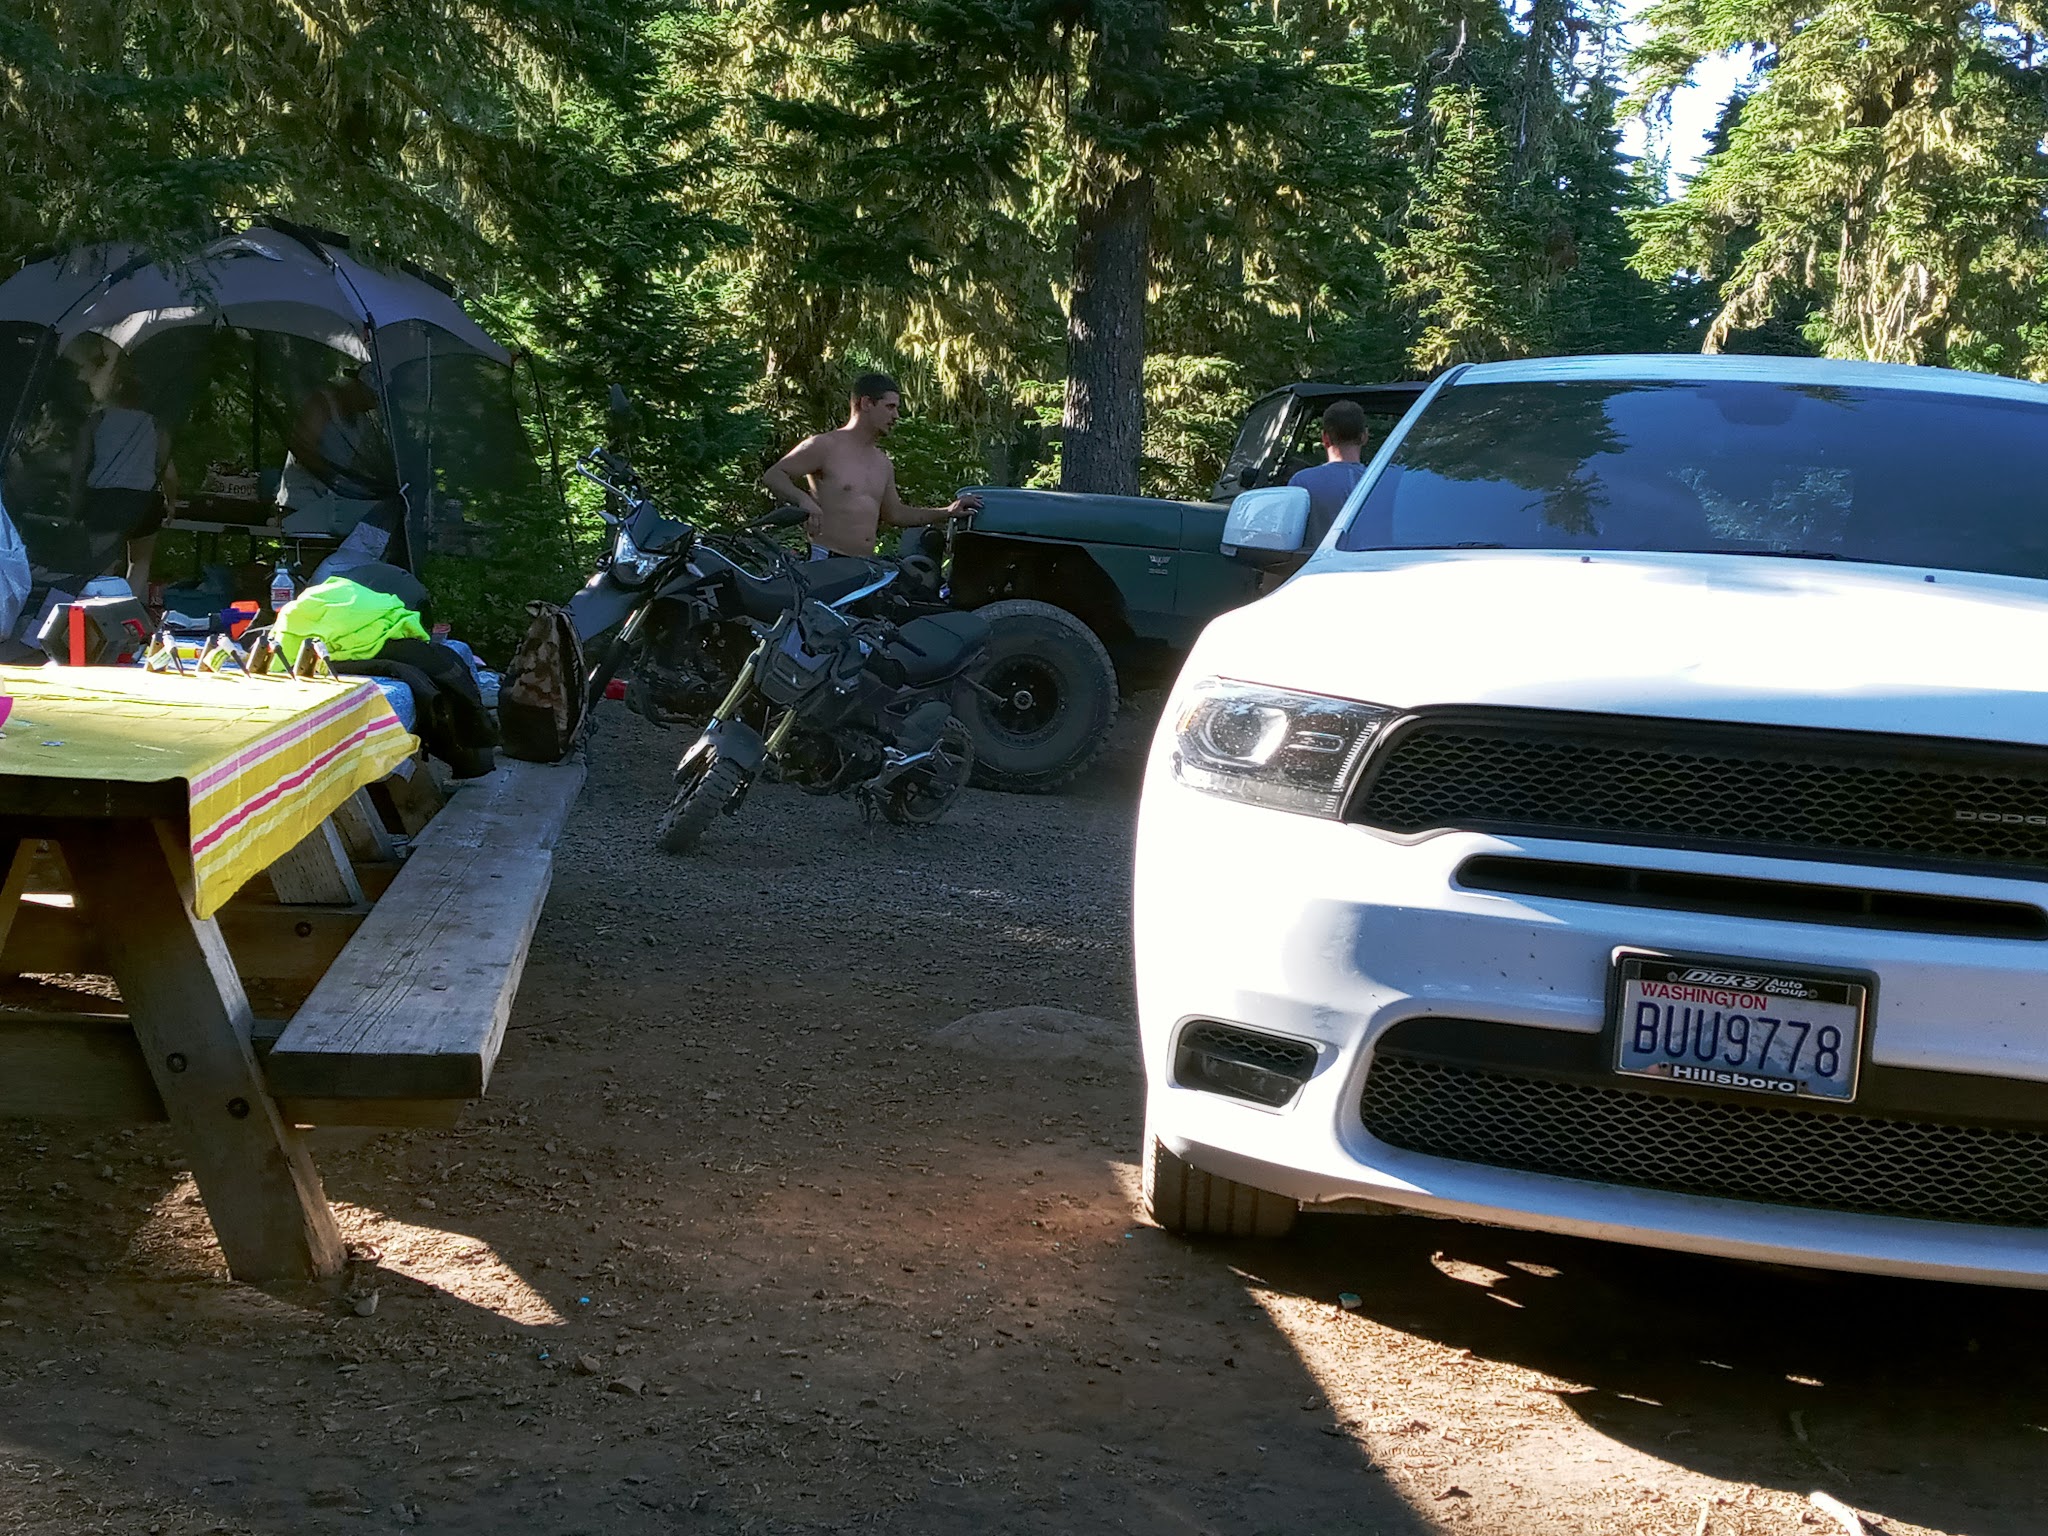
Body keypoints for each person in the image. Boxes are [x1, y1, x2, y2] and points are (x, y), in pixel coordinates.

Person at [760, 372, 982, 559]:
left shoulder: (882, 462)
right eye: (890, 407)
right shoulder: (825, 445)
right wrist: (804, 501)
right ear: (866, 403)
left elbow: (896, 515)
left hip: (864, 566)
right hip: (826, 559)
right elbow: (774, 475)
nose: (896, 416)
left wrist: (948, 511)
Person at [69, 371, 175, 597]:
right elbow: (169, 473)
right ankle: (129, 613)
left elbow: (80, 463)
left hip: (103, 499)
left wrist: (77, 497)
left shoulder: (97, 420)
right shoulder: (155, 425)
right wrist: (171, 504)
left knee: (101, 562)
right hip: (144, 500)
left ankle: (96, 612)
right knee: (139, 562)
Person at [1288, 399, 1372, 552]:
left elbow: (1286, 543)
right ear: (1364, 436)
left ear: (1325, 438)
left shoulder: (1302, 483)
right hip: (1371, 570)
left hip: (1318, 571)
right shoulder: (1381, 482)